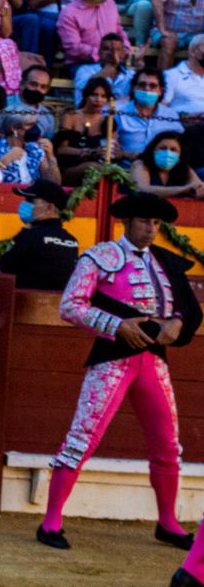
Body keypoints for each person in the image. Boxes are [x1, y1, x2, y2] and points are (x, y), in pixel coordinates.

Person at [38, 193, 201, 553]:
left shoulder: (167, 263)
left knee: (168, 446)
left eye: (157, 223)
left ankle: (168, 523)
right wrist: (116, 325)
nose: (151, 229)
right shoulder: (100, 257)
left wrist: (177, 324)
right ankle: (50, 522)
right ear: (127, 222)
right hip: (113, 358)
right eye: (145, 221)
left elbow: (189, 311)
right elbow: (70, 305)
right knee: (82, 437)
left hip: (153, 361)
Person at [0, 180, 82, 291]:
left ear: (50, 208)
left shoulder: (29, 236)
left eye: (30, 201)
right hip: (56, 307)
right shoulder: (72, 241)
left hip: (24, 305)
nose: (25, 204)